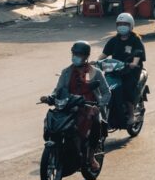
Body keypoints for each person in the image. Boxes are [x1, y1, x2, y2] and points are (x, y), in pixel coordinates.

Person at [42, 41, 110, 169]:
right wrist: (49, 97)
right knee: (53, 120)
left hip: (89, 106)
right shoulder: (66, 72)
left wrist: (99, 105)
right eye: (74, 54)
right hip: (69, 105)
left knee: (95, 122)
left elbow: (107, 92)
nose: (76, 56)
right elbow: (58, 90)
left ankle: (91, 156)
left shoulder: (95, 72)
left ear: (86, 56)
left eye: (79, 54)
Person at [101, 12, 145, 125]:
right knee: (103, 88)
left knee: (126, 90)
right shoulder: (114, 40)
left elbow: (138, 55)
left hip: (131, 72)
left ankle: (130, 115)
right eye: (119, 24)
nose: (122, 26)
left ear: (131, 25)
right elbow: (104, 54)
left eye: (125, 24)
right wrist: (96, 62)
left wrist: (133, 64)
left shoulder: (136, 40)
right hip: (115, 70)